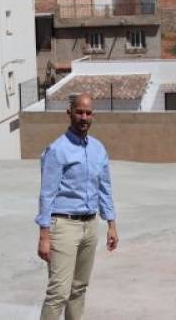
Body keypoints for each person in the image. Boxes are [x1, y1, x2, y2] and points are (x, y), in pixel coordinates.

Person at [36, 93, 118, 320]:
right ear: (69, 114)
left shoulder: (98, 149)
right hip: (63, 225)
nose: (84, 117)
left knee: (79, 288)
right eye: (79, 112)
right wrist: (44, 235)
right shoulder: (57, 150)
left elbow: (105, 188)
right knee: (58, 292)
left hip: (90, 225)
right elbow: (47, 194)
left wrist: (111, 223)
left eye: (88, 113)